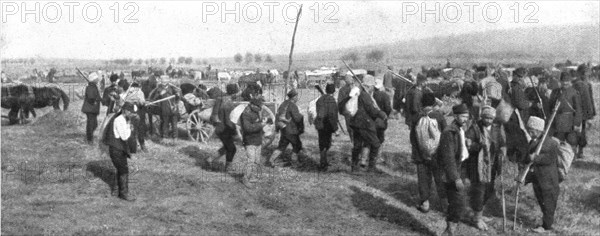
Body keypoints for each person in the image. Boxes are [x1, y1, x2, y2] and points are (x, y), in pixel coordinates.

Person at [465, 106, 506, 231]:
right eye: (486, 117)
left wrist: (503, 151)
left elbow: (502, 143)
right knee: (479, 191)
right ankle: (477, 218)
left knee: (489, 190)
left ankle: (479, 213)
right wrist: (480, 146)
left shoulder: (496, 128)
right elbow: (468, 144)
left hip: (492, 165)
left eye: (490, 118)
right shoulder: (475, 128)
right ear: (482, 117)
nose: (488, 120)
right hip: (477, 165)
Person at [521, 116, 560, 233]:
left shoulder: (550, 143)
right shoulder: (533, 142)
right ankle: (545, 222)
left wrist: (536, 158)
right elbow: (528, 158)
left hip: (548, 180)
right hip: (537, 179)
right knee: (541, 201)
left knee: (548, 203)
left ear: (539, 130)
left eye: (532, 131)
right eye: (529, 130)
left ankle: (547, 227)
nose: (530, 133)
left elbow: (549, 158)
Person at [339, 77, 388, 172]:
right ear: (368, 86)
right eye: (372, 86)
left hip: (355, 123)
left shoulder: (357, 93)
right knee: (376, 144)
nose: (373, 88)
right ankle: (371, 168)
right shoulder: (365, 95)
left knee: (357, 145)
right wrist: (381, 114)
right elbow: (371, 110)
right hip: (364, 124)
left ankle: (354, 168)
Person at [438, 104, 470, 235]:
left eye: (467, 117)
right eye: (463, 116)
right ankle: (449, 230)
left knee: (458, 202)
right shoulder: (449, 132)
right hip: (453, 172)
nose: (465, 119)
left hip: (461, 168)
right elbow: (448, 158)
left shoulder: (461, 129)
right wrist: (455, 178)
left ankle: (451, 229)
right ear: (455, 116)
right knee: (458, 202)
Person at [414, 92, 447, 213]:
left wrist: (418, 152)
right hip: (437, 155)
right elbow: (445, 134)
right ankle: (445, 205)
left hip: (421, 154)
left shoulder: (417, 117)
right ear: (433, 103)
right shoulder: (438, 116)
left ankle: (425, 203)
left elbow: (413, 138)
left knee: (423, 178)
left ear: (421, 103)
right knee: (440, 178)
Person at [103, 102, 137, 201]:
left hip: (117, 149)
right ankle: (124, 194)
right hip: (117, 150)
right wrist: (129, 127)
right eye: (130, 112)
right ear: (125, 110)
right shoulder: (120, 120)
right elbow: (124, 136)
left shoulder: (120, 118)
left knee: (120, 170)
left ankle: (117, 190)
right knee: (124, 170)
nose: (131, 114)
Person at [268, 89, 306, 167]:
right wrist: (301, 116)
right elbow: (297, 118)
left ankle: (271, 160)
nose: (297, 98)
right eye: (296, 96)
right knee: (297, 145)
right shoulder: (293, 105)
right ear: (294, 97)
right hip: (291, 130)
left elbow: (278, 115)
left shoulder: (284, 103)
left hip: (283, 129)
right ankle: (294, 163)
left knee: (281, 146)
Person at [240, 90, 269, 188]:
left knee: (257, 160)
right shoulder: (246, 114)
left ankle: (252, 175)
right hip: (250, 141)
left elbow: (257, 123)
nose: (260, 109)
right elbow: (248, 128)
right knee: (251, 160)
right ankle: (245, 178)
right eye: (259, 107)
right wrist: (261, 125)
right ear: (253, 105)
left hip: (257, 139)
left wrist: (263, 123)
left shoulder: (255, 111)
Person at [208, 83, 239, 171]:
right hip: (224, 129)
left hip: (219, 128)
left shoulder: (222, 98)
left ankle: (210, 159)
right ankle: (228, 168)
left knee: (227, 147)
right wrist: (235, 131)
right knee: (232, 148)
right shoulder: (228, 103)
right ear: (233, 93)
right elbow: (229, 121)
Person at [549, 72, 582, 152]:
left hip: (570, 121)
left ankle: (572, 157)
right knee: (558, 141)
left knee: (572, 141)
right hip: (558, 121)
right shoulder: (555, 92)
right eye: (563, 81)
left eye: (567, 81)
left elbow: (578, 109)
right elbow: (550, 106)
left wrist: (576, 123)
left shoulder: (574, 92)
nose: (565, 83)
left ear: (570, 81)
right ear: (560, 81)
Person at [572, 64, 596, 158]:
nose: (585, 75)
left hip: (585, 112)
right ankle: (575, 151)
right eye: (583, 73)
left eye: (586, 73)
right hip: (577, 111)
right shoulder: (575, 84)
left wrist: (592, 112)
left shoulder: (588, 84)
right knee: (575, 130)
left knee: (582, 131)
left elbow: (590, 99)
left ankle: (580, 151)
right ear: (580, 73)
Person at [315, 83, 339, 171]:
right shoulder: (331, 100)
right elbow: (331, 116)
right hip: (327, 125)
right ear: (334, 91)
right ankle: (323, 163)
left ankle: (323, 161)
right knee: (326, 144)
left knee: (322, 144)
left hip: (319, 124)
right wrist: (336, 129)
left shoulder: (320, 99)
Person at [120, 82, 148, 152]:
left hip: (126, 112)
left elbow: (121, 102)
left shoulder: (126, 92)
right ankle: (141, 145)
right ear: (137, 87)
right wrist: (144, 103)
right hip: (136, 113)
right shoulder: (139, 92)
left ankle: (127, 147)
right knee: (139, 129)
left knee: (128, 129)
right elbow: (142, 102)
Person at [406, 74, 427, 165]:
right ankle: (417, 157)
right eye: (425, 82)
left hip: (412, 117)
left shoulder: (412, 90)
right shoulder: (417, 93)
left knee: (414, 137)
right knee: (417, 137)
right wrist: (424, 112)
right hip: (416, 117)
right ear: (421, 82)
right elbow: (415, 108)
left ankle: (415, 156)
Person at [373, 78, 392, 164]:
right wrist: (386, 115)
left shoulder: (370, 94)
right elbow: (388, 108)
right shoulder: (385, 96)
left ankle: (370, 157)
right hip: (381, 120)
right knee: (380, 139)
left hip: (371, 119)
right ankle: (378, 157)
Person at [81, 72, 102, 144]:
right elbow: (90, 97)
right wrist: (94, 102)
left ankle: (89, 136)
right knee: (91, 124)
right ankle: (89, 139)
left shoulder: (93, 86)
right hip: (90, 109)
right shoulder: (90, 87)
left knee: (94, 124)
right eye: (96, 78)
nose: (98, 79)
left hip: (92, 109)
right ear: (93, 79)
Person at [338, 75, 355, 143]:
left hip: (355, 110)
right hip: (347, 111)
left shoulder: (355, 88)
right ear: (345, 81)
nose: (350, 80)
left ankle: (355, 139)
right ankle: (352, 139)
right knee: (350, 127)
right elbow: (340, 101)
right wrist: (343, 111)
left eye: (350, 79)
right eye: (348, 79)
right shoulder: (342, 90)